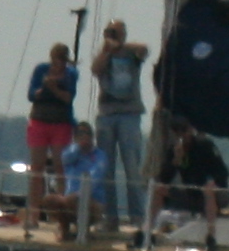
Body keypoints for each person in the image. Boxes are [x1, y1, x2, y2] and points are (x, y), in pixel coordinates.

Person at [90, 20, 149, 235]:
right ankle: (110, 217)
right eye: (111, 32)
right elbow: (95, 70)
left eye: (117, 32)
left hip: (130, 115)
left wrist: (121, 45)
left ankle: (138, 216)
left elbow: (144, 50)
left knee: (132, 166)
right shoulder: (103, 56)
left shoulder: (132, 54)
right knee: (107, 168)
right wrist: (107, 49)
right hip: (107, 115)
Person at [25, 42, 81, 208]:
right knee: (37, 169)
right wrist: (43, 88)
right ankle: (34, 210)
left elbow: (68, 97)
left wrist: (54, 88)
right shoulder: (41, 70)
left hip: (61, 123)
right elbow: (31, 94)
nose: (59, 65)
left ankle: (61, 208)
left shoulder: (71, 74)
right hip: (40, 120)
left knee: (60, 167)